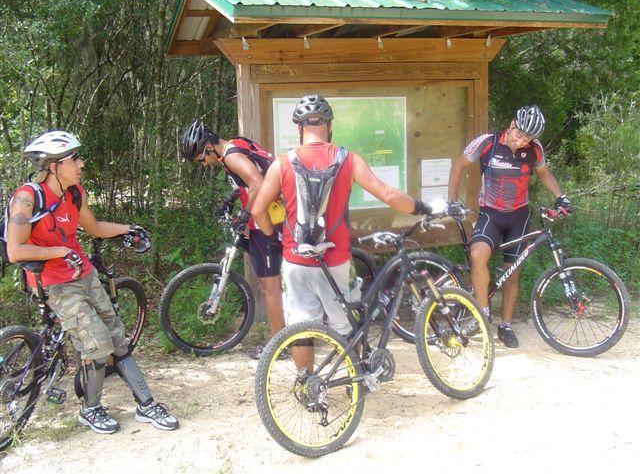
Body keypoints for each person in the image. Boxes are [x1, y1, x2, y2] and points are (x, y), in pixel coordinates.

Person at [6, 130, 179, 434]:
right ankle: (91, 409)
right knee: (97, 344)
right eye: (75, 158)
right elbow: (15, 250)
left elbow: (95, 227)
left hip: (83, 274)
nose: (81, 163)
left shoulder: (74, 193)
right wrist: (60, 251)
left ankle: (147, 404)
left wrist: (128, 229)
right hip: (52, 282)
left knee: (117, 339)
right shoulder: (27, 197)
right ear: (55, 165)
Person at [251, 94, 433, 346]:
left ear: (299, 128)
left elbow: (258, 210)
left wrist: (272, 238)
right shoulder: (348, 159)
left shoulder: (282, 163)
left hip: (296, 259)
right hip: (336, 260)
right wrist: (423, 207)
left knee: (302, 330)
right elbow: (389, 195)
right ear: (330, 125)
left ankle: (306, 383)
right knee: (347, 324)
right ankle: (353, 383)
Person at [447, 105, 572, 348]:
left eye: (527, 137)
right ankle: (482, 313)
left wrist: (560, 196)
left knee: (512, 272)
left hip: (518, 216)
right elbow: (458, 165)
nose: (521, 140)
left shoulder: (534, 149)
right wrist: (451, 201)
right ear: (512, 123)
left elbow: (544, 173)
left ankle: (505, 325)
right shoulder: (487, 142)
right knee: (477, 255)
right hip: (490, 213)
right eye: (519, 133)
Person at [180, 121, 285, 359]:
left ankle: (279, 347)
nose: (203, 165)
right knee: (273, 283)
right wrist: (230, 199)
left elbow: (258, 183)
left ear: (208, 147)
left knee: (270, 287)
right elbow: (249, 180)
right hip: (273, 213)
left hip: (268, 217)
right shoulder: (236, 144)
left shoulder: (231, 157)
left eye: (200, 159)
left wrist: (245, 214)